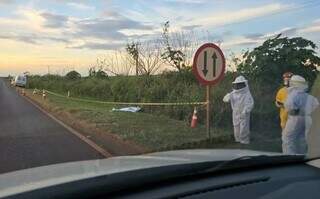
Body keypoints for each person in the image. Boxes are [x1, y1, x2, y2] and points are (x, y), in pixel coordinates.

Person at [282, 75, 319, 155]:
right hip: (307, 118)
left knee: (287, 138)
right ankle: (302, 156)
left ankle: (289, 157)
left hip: (295, 118)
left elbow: (288, 106)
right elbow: (316, 104)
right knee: (302, 138)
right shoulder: (309, 96)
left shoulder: (293, 94)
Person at [223, 76, 254, 144]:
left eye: (240, 84)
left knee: (244, 128)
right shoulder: (233, 93)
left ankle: (244, 142)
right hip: (235, 112)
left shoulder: (247, 94)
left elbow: (250, 104)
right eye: (237, 84)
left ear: (243, 84)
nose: (238, 86)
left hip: (244, 113)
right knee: (236, 127)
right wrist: (228, 97)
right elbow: (225, 99)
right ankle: (237, 141)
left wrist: (245, 111)